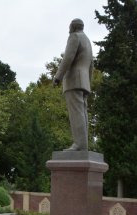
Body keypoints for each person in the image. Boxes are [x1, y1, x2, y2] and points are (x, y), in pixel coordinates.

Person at [53, 18, 93, 151]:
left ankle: (79, 144)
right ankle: (83, 144)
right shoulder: (87, 41)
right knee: (82, 113)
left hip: (74, 80)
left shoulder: (74, 36)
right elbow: (91, 66)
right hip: (84, 81)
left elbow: (68, 58)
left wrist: (58, 76)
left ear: (73, 26)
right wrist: (89, 82)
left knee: (76, 113)